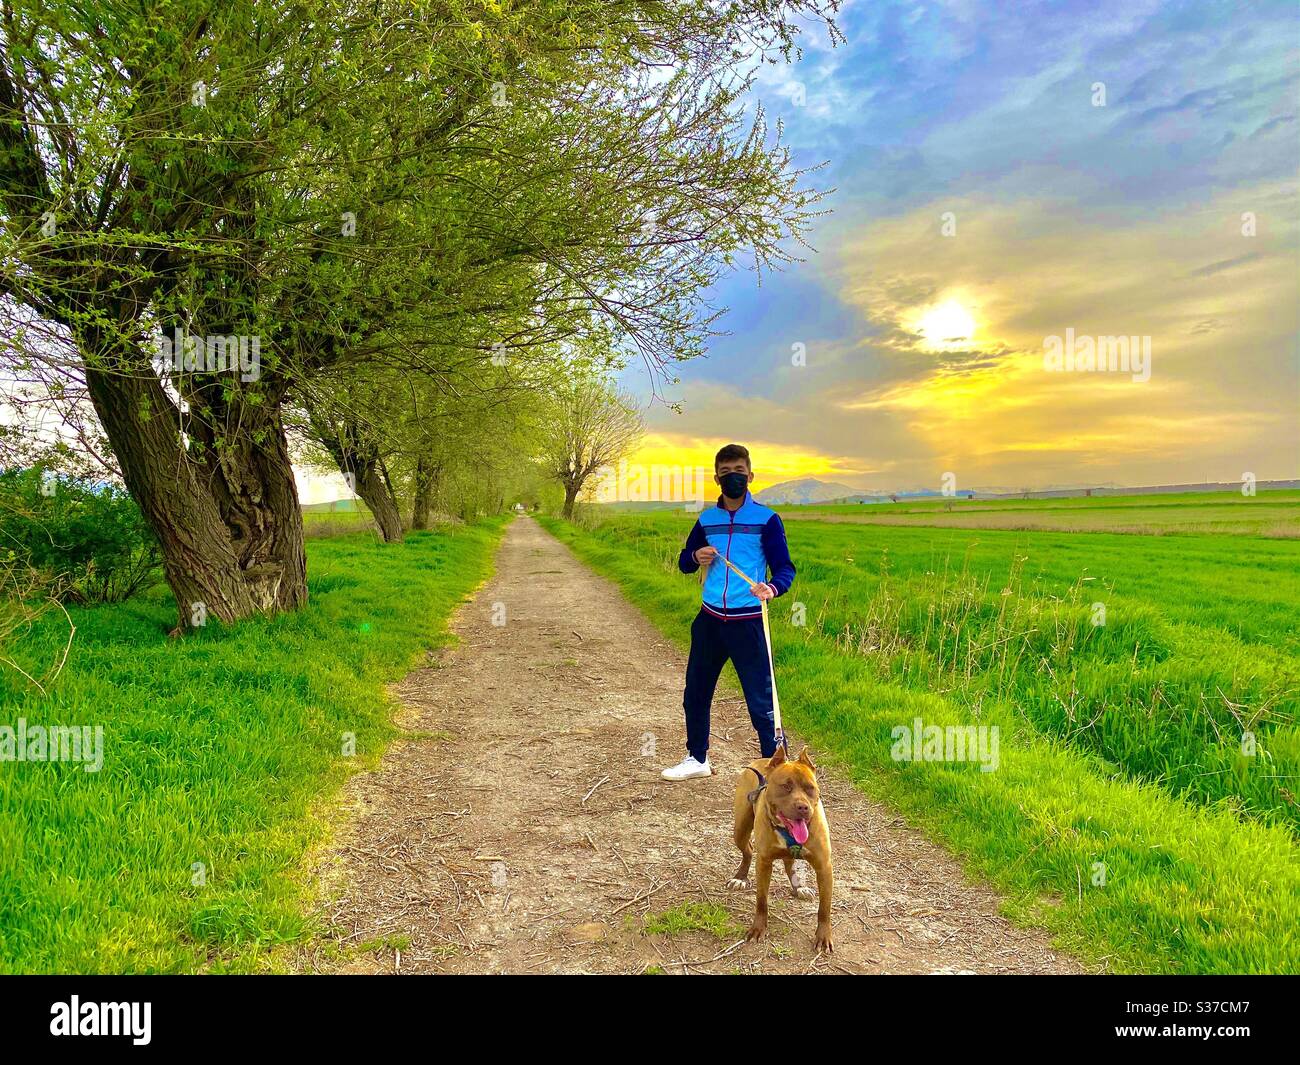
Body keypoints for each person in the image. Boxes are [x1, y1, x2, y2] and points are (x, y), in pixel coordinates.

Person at [661, 443, 796, 781]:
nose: (733, 478)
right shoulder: (707, 519)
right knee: (696, 691)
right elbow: (683, 562)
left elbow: (785, 568)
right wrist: (695, 557)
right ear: (717, 479)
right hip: (709, 621)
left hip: (748, 621)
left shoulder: (767, 519)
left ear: (750, 475)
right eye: (726, 474)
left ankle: (775, 769)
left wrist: (772, 588)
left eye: (739, 472)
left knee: (762, 700)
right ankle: (697, 758)